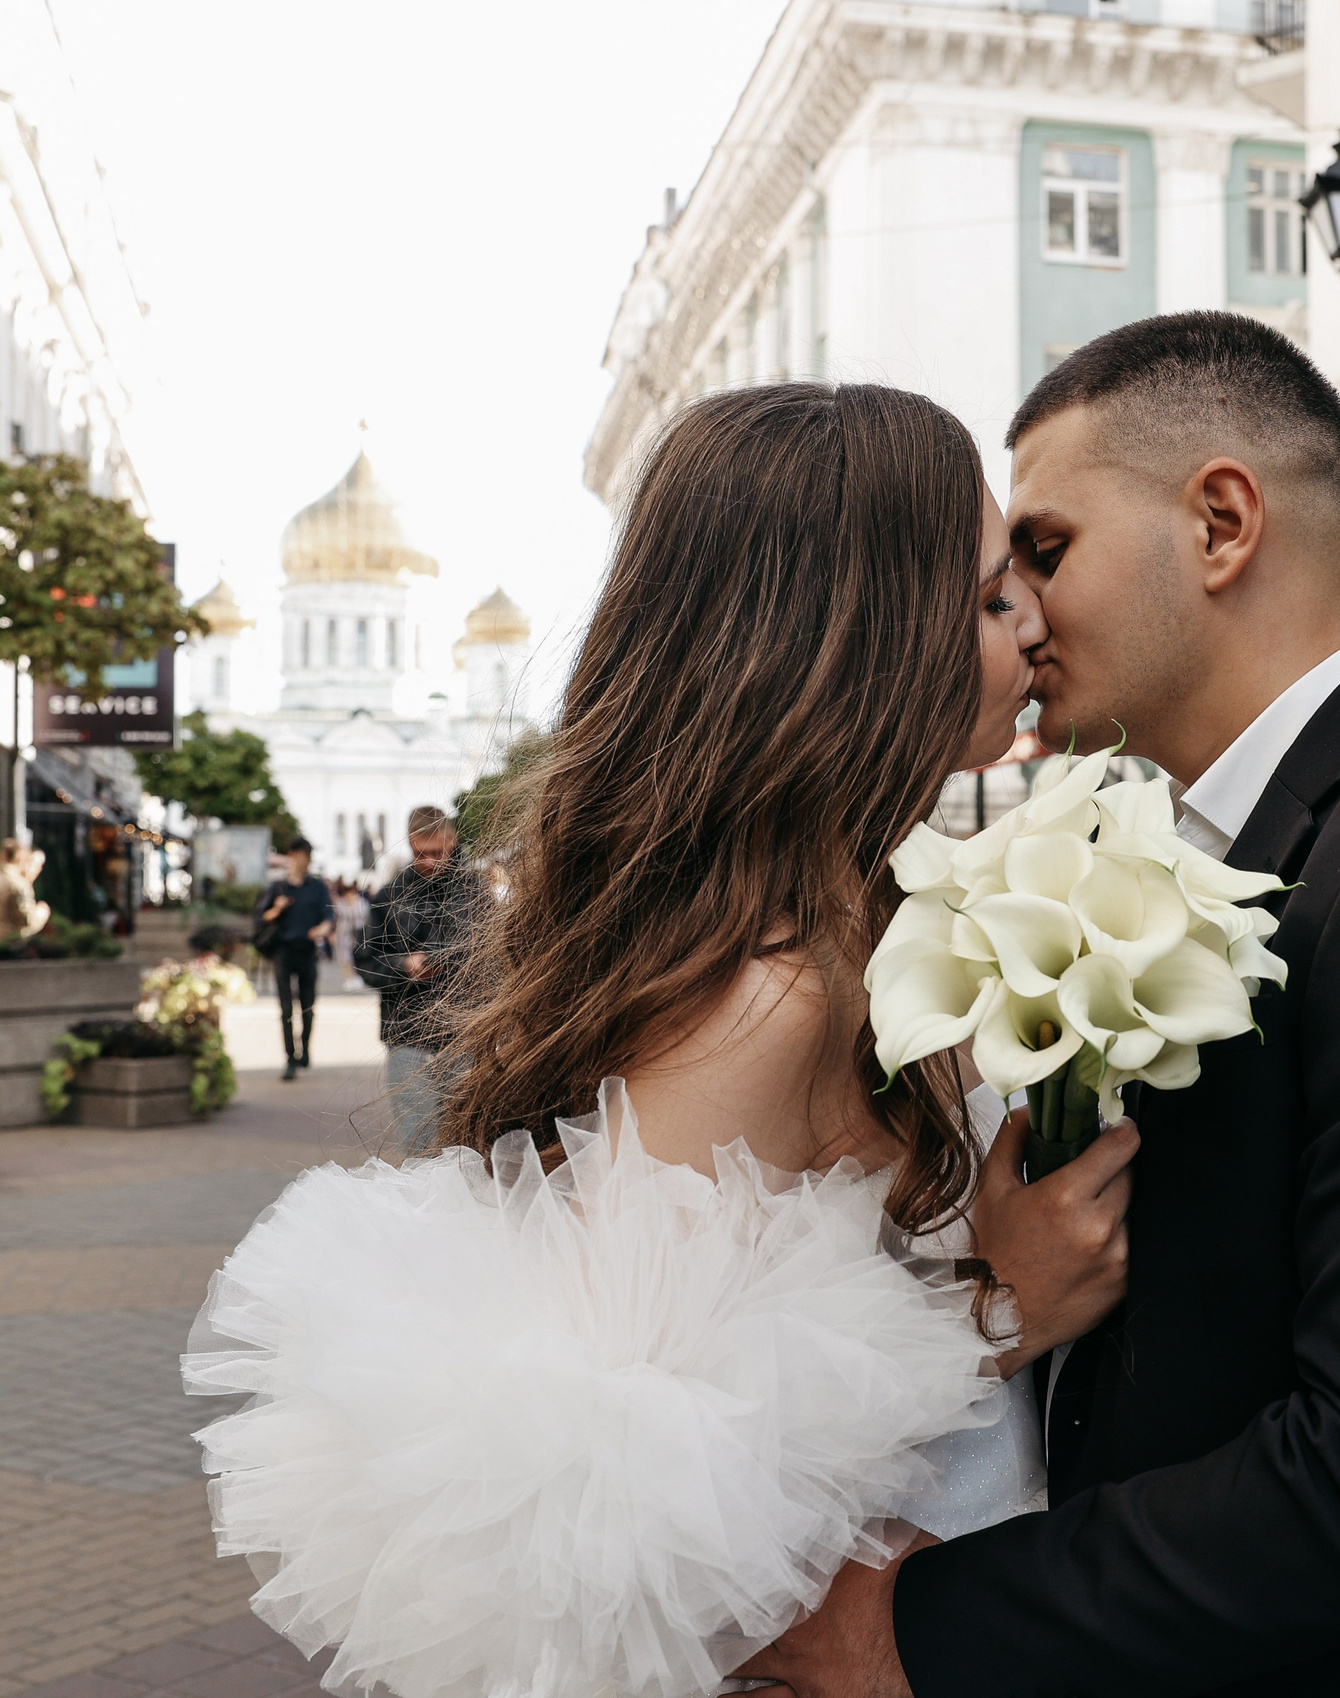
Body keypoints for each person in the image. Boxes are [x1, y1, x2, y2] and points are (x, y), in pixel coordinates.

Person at [751, 315, 1340, 1694]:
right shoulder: (1195, 837)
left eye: (1045, 550)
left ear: (1220, 522)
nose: (1020, 614)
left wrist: (920, 1626)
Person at [183, 383, 1132, 1697]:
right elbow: (598, 1482)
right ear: (852, 640)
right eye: (984, 597)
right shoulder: (775, 991)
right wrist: (994, 1312)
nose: (1031, 615)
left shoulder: (870, 912)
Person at [354, 806, 480, 1156]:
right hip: (406, 1034)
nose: (429, 861)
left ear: (452, 842)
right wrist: (403, 966)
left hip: (464, 1034)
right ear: (409, 844)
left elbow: (494, 960)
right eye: (419, 853)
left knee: (466, 1146)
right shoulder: (389, 896)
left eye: (437, 852)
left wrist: (448, 962)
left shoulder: (476, 892)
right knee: (419, 1146)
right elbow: (364, 961)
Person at [252, 840, 334, 1082]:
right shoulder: (277, 887)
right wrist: (277, 909)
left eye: (306, 855)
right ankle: (290, 1058)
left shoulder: (318, 887)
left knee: (308, 1007)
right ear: (292, 856)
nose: (303, 859)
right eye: (300, 855)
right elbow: (261, 918)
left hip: (307, 952)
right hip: (283, 952)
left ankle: (305, 1048)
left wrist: (321, 929)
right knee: (286, 1008)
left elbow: (329, 917)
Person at [0, 837, 51, 952]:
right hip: (9, 946)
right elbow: (27, 919)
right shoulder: (18, 884)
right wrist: (41, 913)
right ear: (20, 858)